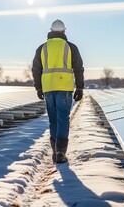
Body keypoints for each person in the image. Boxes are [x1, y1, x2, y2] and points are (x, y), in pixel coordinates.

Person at [32, 19, 84, 163]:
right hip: (64, 87)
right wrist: (80, 87)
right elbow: (78, 68)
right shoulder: (70, 47)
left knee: (53, 119)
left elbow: (36, 69)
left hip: (48, 88)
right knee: (63, 119)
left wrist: (38, 87)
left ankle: (55, 152)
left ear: (51, 31)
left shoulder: (42, 48)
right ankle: (61, 152)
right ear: (63, 31)